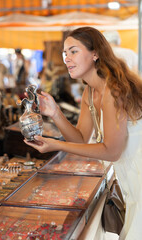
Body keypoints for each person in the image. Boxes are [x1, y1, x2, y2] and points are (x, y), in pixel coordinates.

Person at [24, 27, 142, 240]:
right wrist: (55, 113)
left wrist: (56, 145)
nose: (67, 58)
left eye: (73, 51)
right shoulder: (90, 91)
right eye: (65, 53)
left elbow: (112, 151)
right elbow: (80, 139)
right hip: (128, 178)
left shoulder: (113, 90)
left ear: (95, 53)